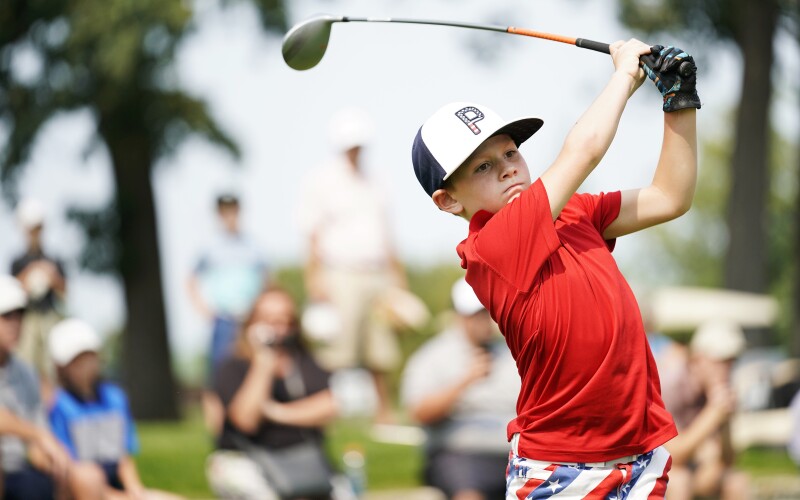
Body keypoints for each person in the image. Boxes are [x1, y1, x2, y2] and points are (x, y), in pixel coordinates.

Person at [410, 41, 700, 497]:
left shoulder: (575, 212)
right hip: (560, 468)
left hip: (637, 453)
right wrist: (624, 76)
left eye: (511, 154)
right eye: (484, 166)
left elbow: (670, 196)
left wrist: (679, 103)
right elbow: (583, 151)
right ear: (449, 201)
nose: (509, 170)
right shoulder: (490, 247)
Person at [297, 107, 407, 424]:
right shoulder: (321, 181)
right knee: (337, 350)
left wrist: (396, 276)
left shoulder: (377, 180)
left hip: (377, 273)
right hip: (340, 273)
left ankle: (384, 413)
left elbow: (387, 233)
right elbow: (312, 234)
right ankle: (324, 412)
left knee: (380, 348)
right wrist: (314, 278)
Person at [207, 287, 339, 499]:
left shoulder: (304, 360)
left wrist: (274, 411)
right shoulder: (233, 366)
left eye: (284, 319)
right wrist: (263, 364)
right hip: (250, 461)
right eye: (268, 319)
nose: (277, 327)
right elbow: (246, 420)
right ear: (251, 323)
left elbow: (329, 407)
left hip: (303, 459)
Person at [401, 278, 519, 500]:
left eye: (488, 312)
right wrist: (465, 382)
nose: (485, 320)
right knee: (468, 493)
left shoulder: (514, 353)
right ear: (459, 316)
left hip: (514, 453)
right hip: (460, 453)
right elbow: (420, 413)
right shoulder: (432, 357)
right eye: (477, 314)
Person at [47, 318, 183, 500]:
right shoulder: (57, 405)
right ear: (62, 367)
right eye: (76, 361)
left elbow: (123, 456)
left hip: (116, 487)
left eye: (88, 357)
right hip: (85, 489)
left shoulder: (115, 398)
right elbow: (73, 472)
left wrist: (135, 491)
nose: (85, 366)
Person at [0, 275, 105, 499]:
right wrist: (38, 435)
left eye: (21, 314)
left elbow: (39, 440)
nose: (16, 323)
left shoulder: (25, 373)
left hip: (23, 470)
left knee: (81, 475)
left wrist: (52, 456)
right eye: (7, 315)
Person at [187, 193, 270, 434]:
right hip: (224, 318)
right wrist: (204, 309)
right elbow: (191, 280)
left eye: (233, 210)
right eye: (225, 211)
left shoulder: (253, 245)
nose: (230, 216)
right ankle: (218, 428)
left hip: (249, 318)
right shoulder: (209, 246)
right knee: (217, 374)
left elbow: (266, 278)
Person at [659, 320, 750, 499]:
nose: (726, 369)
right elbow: (671, 457)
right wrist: (713, 414)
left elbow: (728, 461)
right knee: (680, 481)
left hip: (693, 469)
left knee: (736, 482)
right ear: (697, 359)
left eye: (731, 361)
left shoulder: (715, 392)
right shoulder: (670, 387)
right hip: (653, 470)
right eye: (721, 361)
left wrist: (725, 420)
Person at [10, 198, 67, 398]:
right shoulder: (18, 262)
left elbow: (65, 293)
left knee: (51, 368)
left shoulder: (53, 260)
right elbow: (12, 293)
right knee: (24, 365)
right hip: (27, 320)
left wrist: (52, 277)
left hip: (49, 317)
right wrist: (28, 276)